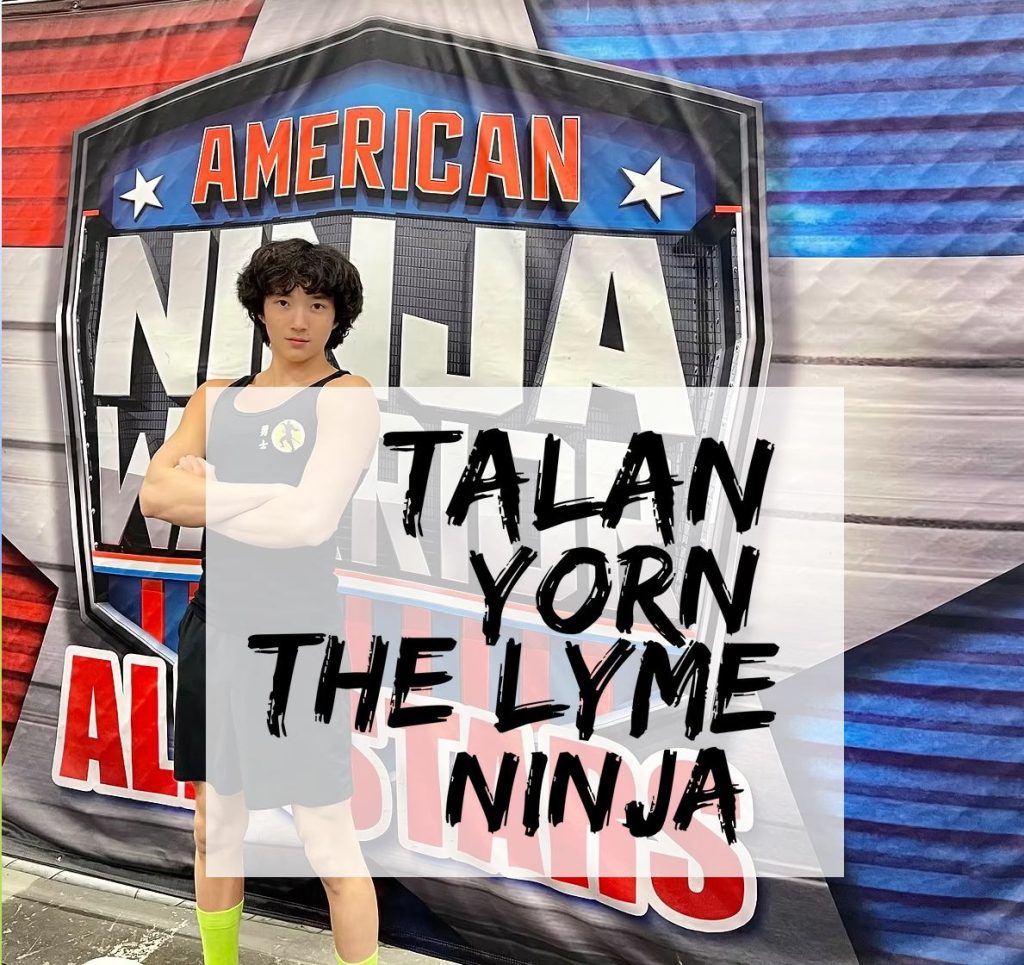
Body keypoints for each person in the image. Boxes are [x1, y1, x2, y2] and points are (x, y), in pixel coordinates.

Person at [140, 238, 380, 965]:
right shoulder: (216, 398)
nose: (298, 319)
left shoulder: (345, 396)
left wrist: (210, 494)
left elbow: (308, 523)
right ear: (261, 308)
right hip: (215, 627)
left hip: (295, 643)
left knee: (326, 839)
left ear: (337, 315)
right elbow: (155, 496)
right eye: (283, 301)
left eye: (317, 304)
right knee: (215, 828)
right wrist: (267, 493)